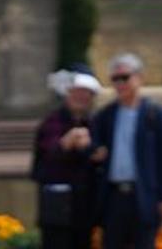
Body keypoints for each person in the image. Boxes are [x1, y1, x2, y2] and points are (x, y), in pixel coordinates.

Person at [89, 53, 162, 249]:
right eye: (115, 79)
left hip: (145, 196)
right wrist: (94, 150)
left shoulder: (156, 114)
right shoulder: (106, 115)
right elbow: (93, 145)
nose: (120, 84)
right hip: (113, 197)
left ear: (139, 78)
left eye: (125, 78)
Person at [31, 62, 103, 249]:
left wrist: (95, 152)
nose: (81, 97)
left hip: (84, 210)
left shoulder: (95, 123)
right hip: (57, 212)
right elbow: (47, 158)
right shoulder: (52, 122)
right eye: (76, 92)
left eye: (86, 93)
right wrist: (66, 142)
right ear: (67, 93)